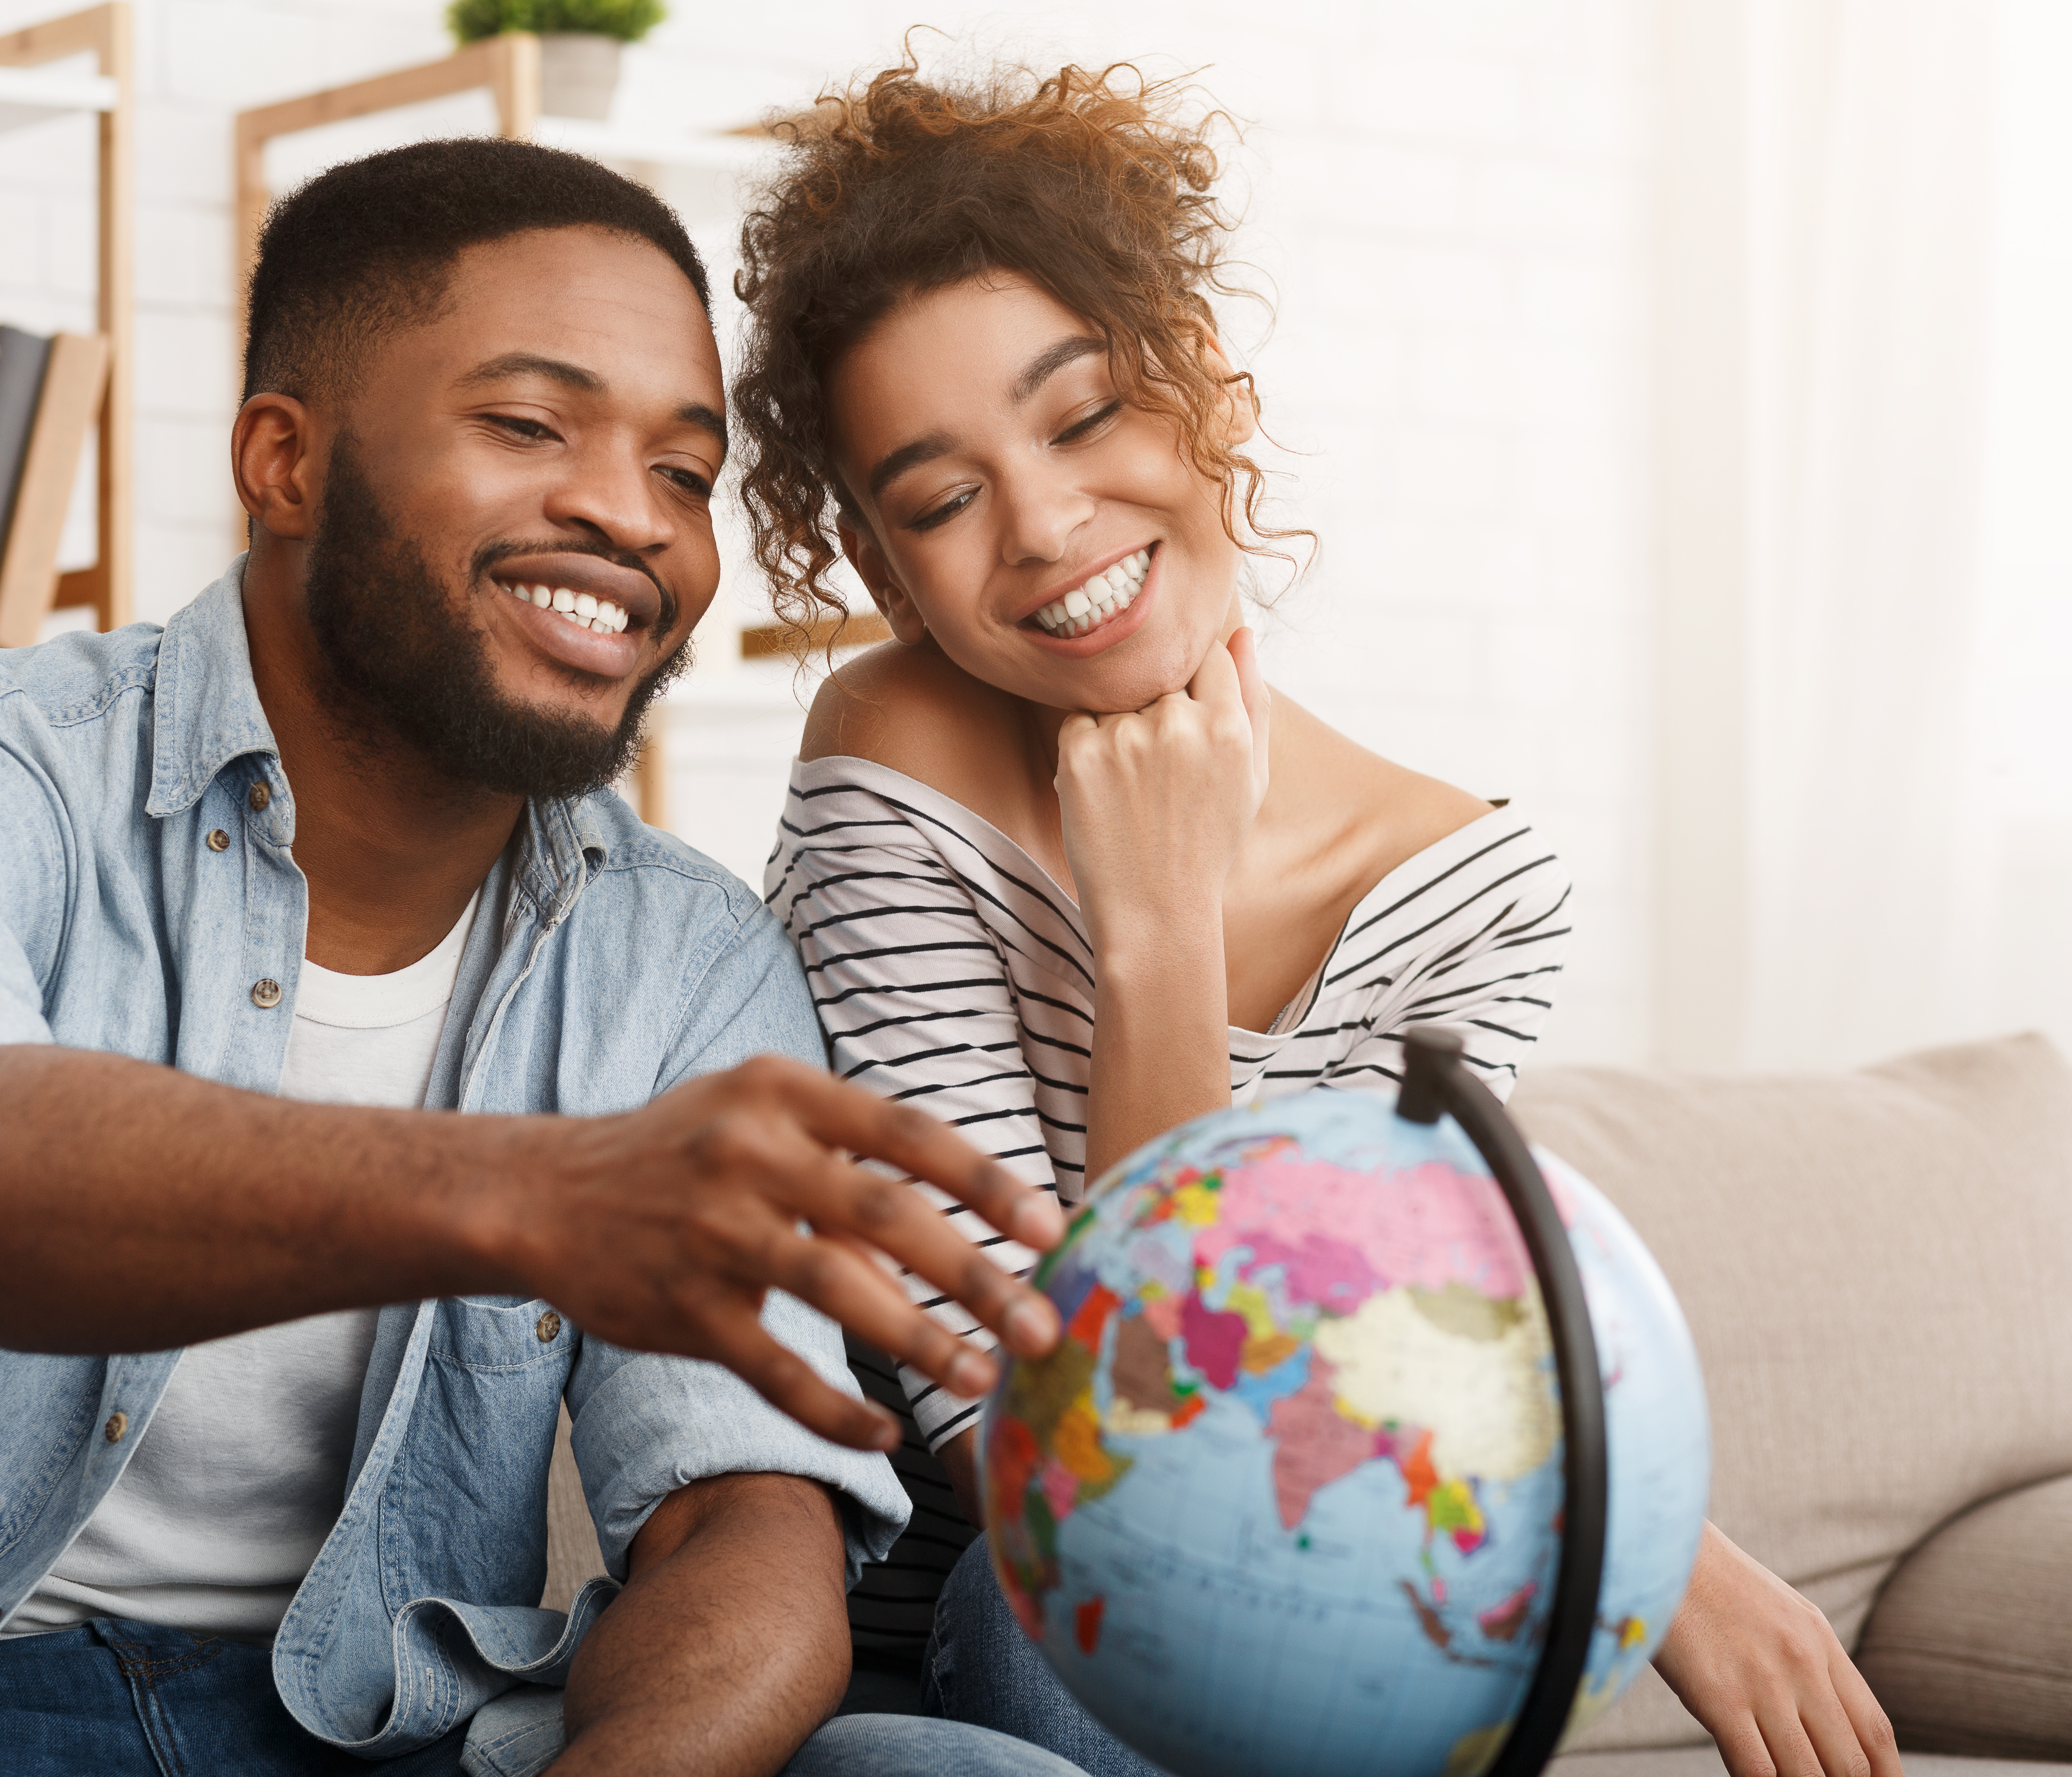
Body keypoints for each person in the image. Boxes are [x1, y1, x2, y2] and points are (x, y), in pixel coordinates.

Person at [0, 139, 1087, 1777]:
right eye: (529, 425)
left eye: (686, 472)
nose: (632, 517)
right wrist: (536, 1191)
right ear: (283, 461)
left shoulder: (684, 959)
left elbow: (741, 1521)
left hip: (403, 1740)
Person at [732, 62, 1906, 1777]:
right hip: (981, 1640)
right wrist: (1153, 928)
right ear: (883, 563)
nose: (1047, 527)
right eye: (940, 497)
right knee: (1068, 1611)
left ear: (1209, 381)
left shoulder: (1473, 896)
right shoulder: (895, 761)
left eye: (1082, 417)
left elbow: (1390, 1422)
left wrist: (1653, 1548)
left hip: (1318, 1639)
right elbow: (1065, 1442)